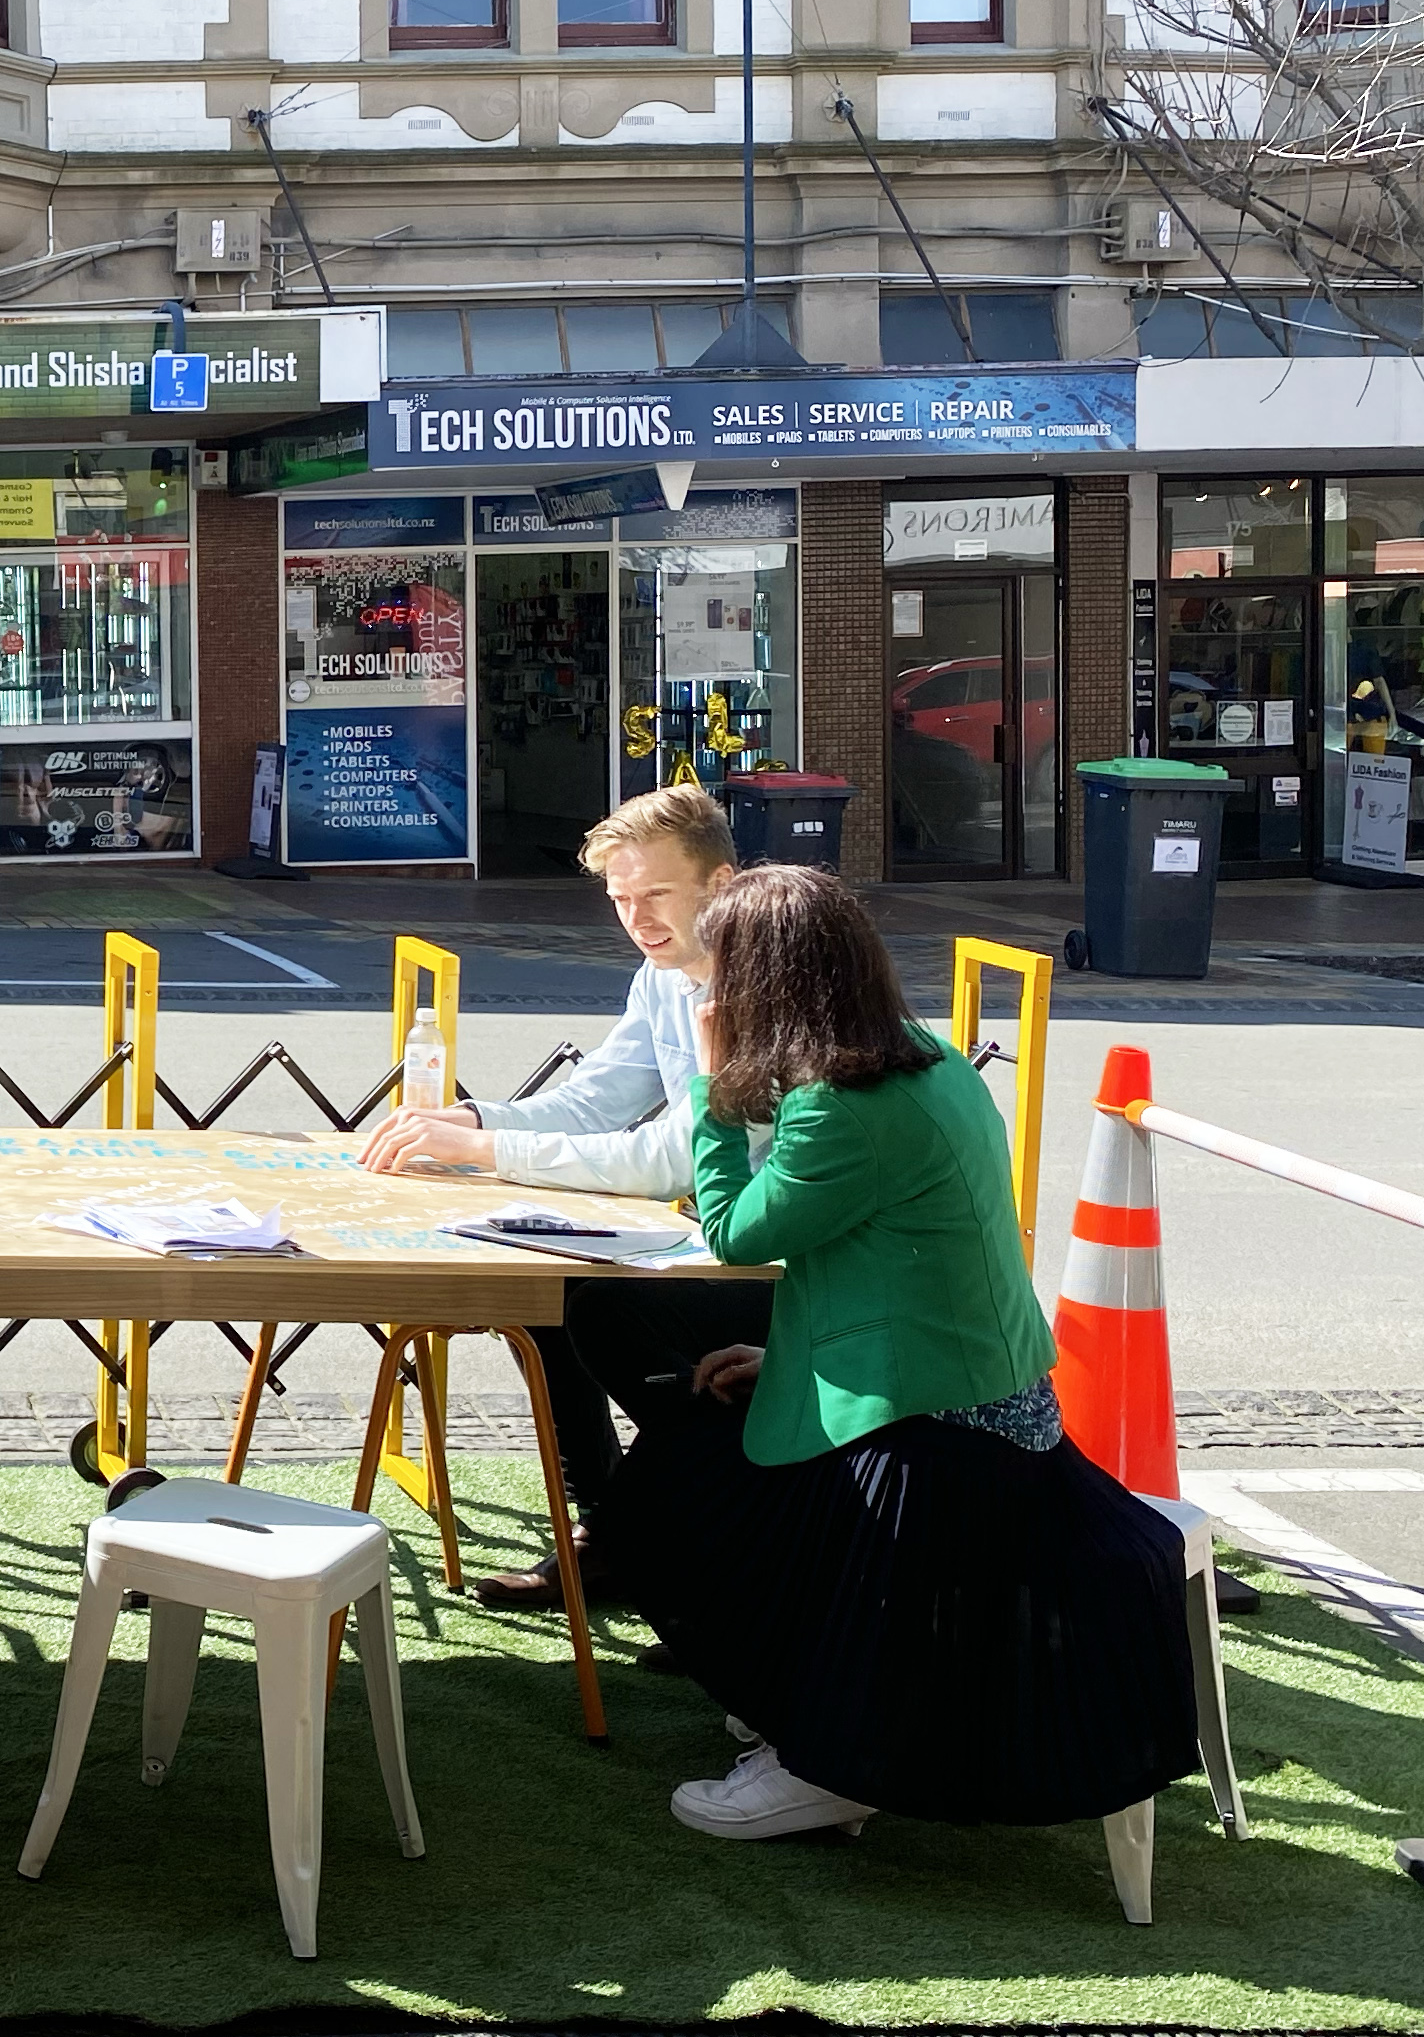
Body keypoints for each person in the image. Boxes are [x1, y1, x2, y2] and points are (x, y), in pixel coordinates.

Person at [597, 865, 1195, 1841]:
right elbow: (893, 1260)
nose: (713, 992)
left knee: (668, 1492)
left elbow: (737, 1231)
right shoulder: (931, 1058)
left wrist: (711, 1088)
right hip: (995, 1404)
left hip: (937, 1441)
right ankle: (804, 1716)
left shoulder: (838, 1105)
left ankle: (824, 1759)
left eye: (725, 972)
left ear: (767, 986)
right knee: (697, 1459)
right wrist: (788, 1356)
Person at [359, 782, 760, 1608]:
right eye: (620, 899)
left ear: (720, 885)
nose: (637, 918)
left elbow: (670, 1159)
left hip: (789, 1262)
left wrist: (486, 1149)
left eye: (656, 894)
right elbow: (598, 1099)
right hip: (720, 1239)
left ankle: (673, 1535)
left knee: (587, 1306)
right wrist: (474, 1118)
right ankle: (617, 1531)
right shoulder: (663, 974)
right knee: (550, 1289)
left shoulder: (762, 981)